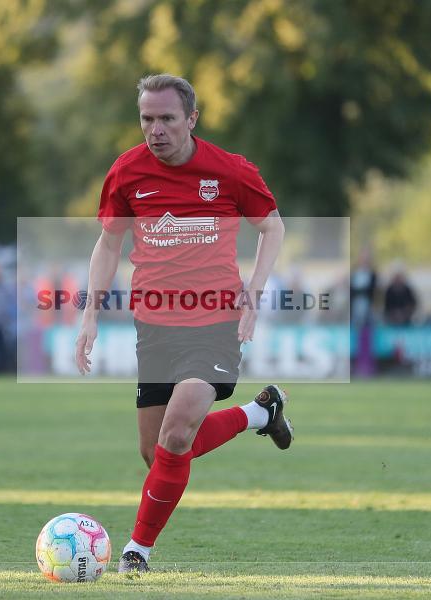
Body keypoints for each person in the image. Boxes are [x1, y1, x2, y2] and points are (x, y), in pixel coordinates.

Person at [74, 74, 291, 574]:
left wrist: (254, 289)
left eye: (167, 118)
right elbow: (108, 244)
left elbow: (272, 226)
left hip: (215, 321)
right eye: (147, 119)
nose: (156, 129)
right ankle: (261, 414)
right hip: (154, 326)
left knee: (176, 434)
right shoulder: (126, 172)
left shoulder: (230, 171)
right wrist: (89, 313)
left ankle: (136, 552)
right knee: (158, 452)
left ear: (192, 119)